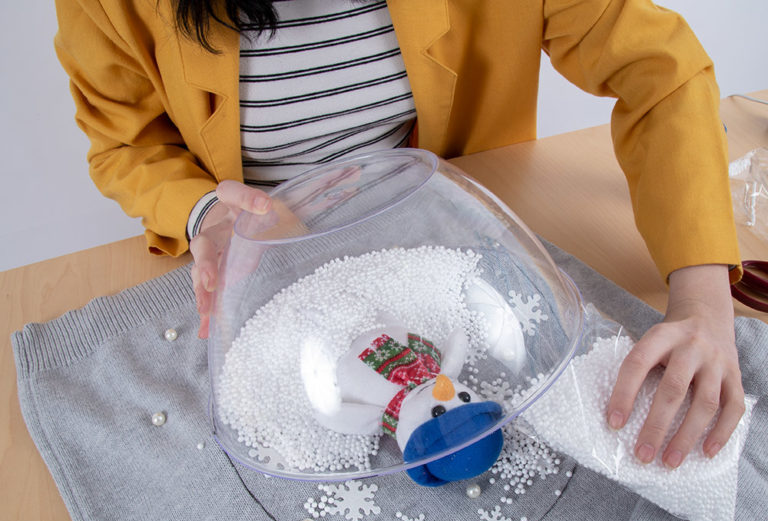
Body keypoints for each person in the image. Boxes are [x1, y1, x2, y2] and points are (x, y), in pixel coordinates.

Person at [54, 0, 745, 470]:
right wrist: (205, 211)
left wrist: (704, 305)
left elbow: (660, 72)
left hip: (450, 241)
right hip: (262, 277)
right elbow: (124, 145)